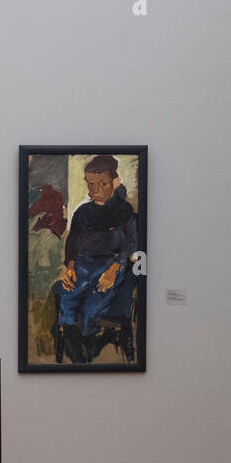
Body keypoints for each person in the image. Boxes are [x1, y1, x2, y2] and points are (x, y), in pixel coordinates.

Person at [52, 155, 137, 364]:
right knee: (68, 300)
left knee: (93, 305)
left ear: (115, 183)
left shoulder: (125, 212)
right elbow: (72, 244)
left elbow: (131, 245)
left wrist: (116, 267)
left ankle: (88, 351)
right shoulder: (82, 213)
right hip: (83, 265)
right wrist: (70, 267)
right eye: (90, 183)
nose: (95, 189)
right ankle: (76, 353)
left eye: (103, 184)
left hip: (111, 266)